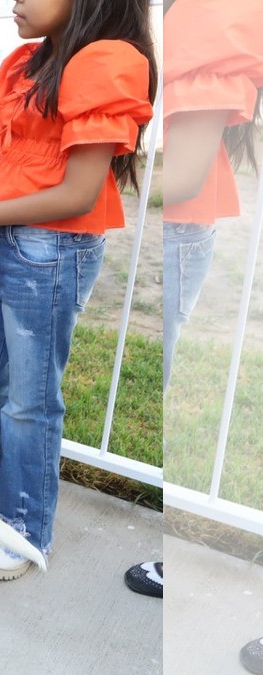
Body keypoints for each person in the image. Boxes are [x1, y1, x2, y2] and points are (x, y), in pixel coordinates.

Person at [0, 0, 156, 580]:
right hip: (9, 239)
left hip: (50, 251)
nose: (16, 2)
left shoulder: (107, 62)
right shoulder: (36, 61)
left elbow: (77, 193)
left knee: (30, 398)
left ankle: (25, 528)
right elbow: (16, 156)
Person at [123, 0, 262, 605]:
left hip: (181, 228)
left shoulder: (215, 17)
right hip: (181, 229)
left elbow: (183, 172)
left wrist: (112, 166)